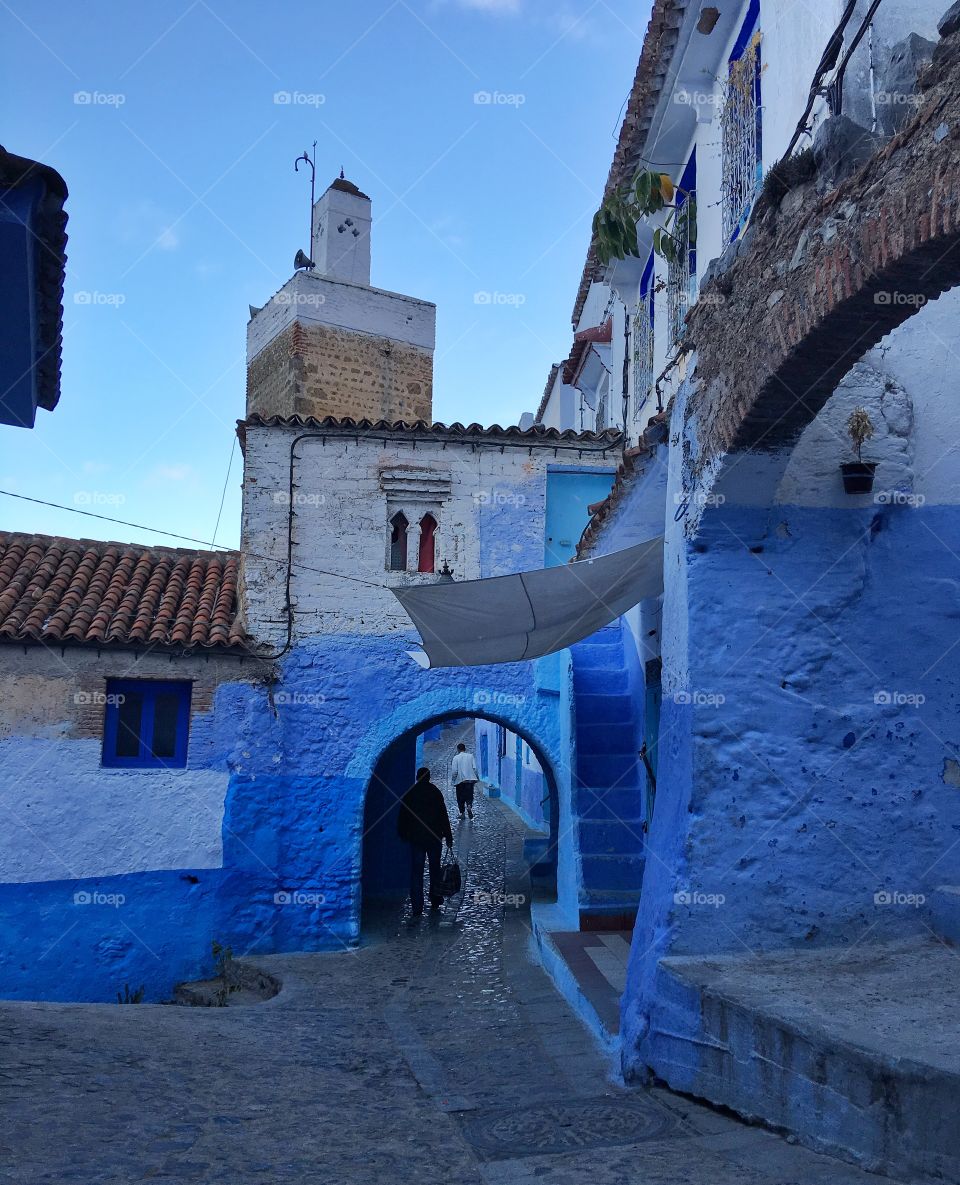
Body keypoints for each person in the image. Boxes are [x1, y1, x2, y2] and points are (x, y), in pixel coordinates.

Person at [397, 766, 454, 915]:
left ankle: (417, 906)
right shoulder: (435, 793)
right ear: (429, 778)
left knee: (417, 871)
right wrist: (448, 835)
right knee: (434, 869)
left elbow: (403, 816)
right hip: (434, 837)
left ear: (417, 777)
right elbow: (443, 815)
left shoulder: (410, 794)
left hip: (416, 839)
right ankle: (435, 899)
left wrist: (403, 834)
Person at [451, 741, 479, 820]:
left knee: (460, 798)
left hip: (460, 781)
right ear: (465, 749)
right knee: (469, 796)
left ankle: (462, 813)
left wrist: (453, 781)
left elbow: (454, 771)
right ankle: (469, 806)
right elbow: (475, 768)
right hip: (470, 781)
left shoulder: (456, 758)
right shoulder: (470, 756)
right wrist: (476, 778)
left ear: (458, 750)